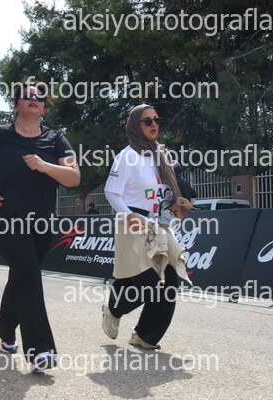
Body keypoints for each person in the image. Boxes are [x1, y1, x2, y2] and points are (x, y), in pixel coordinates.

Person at [0, 81, 80, 372]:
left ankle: (5, 327)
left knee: (21, 277)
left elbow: (73, 177)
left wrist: (45, 165)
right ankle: (39, 350)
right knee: (29, 275)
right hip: (3, 217)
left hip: (42, 221)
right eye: (26, 95)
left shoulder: (56, 139)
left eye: (40, 96)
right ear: (16, 103)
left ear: (44, 105)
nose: (34, 99)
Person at [102, 104, 192, 350]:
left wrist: (178, 202)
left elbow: (168, 191)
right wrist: (128, 215)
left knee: (168, 280)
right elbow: (111, 191)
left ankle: (145, 335)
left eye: (157, 120)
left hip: (160, 223)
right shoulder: (127, 156)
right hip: (134, 223)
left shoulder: (163, 155)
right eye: (147, 121)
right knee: (147, 281)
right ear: (135, 125)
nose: (154, 125)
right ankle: (114, 309)